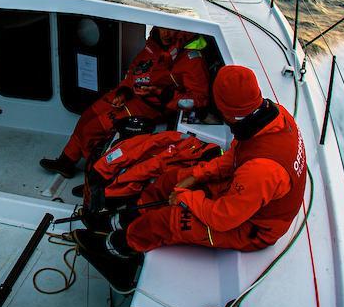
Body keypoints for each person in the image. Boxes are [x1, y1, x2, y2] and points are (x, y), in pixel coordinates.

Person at [73, 64, 307, 292]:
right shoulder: (270, 115)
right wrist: (194, 177)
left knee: (168, 221)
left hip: (252, 226)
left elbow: (223, 218)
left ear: (227, 111)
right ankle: (122, 221)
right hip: (245, 194)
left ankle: (117, 251)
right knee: (171, 179)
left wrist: (186, 197)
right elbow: (234, 157)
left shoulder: (262, 169)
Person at [39, 27, 210, 178]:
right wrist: (123, 91)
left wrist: (161, 93)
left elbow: (199, 99)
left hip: (152, 107)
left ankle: (96, 177)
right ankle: (66, 162)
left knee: (94, 128)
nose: (166, 33)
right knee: (89, 115)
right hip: (133, 95)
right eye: (162, 28)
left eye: (171, 29)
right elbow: (134, 71)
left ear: (181, 30)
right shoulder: (154, 46)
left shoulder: (191, 59)